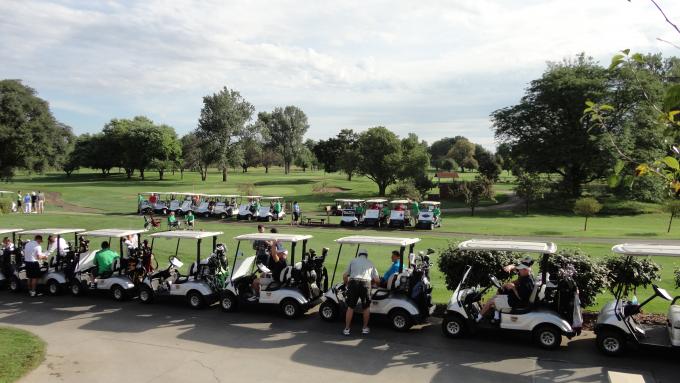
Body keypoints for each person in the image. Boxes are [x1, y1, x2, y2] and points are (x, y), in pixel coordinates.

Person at [477, 256, 535, 322]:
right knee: (500, 292)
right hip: (516, 300)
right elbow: (518, 277)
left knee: (490, 301)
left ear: (525, 270)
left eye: (520, 269)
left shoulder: (527, 283)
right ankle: (496, 317)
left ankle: (477, 318)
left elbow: (521, 297)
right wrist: (509, 284)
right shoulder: (526, 276)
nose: (519, 271)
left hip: (518, 303)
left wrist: (513, 288)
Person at [342, 248, 380, 336]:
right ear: (366, 255)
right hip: (365, 284)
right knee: (366, 307)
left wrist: (346, 284)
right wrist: (376, 284)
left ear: (359, 254)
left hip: (353, 283)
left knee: (350, 307)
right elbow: (377, 279)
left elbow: (345, 275)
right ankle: (364, 328)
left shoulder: (353, 261)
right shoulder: (370, 263)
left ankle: (347, 329)